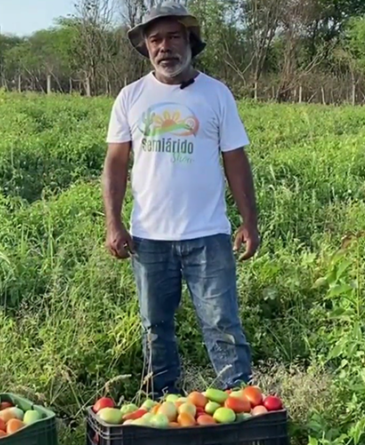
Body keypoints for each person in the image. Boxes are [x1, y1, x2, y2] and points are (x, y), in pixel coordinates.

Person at [101, 2, 259, 398]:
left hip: (207, 235)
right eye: (155, 39)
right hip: (149, 238)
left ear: (189, 41)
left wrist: (249, 220)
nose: (164, 46)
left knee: (222, 323)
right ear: (146, 47)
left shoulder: (216, 94)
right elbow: (116, 164)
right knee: (155, 327)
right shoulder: (130, 97)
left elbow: (236, 160)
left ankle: (241, 403)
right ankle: (161, 404)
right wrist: (113, 222)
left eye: (173, 36)